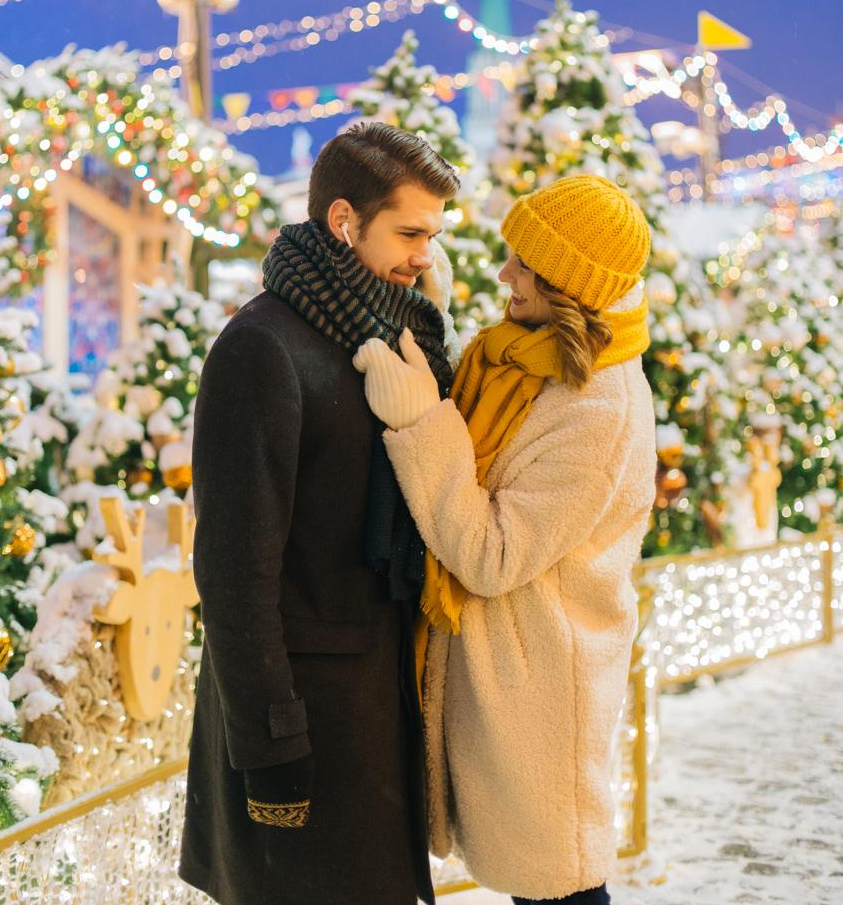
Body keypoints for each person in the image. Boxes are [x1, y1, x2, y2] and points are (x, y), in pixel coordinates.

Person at [354, 174, 657, 905]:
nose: (504, 275)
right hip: (509, 672)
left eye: (523, 264)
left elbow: (492, 555)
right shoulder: (524, 357)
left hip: (543, 686)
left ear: (569, 286)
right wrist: (441, 322)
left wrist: (421, 424)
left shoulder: (598, 407)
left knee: (560, 888)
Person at [179, 121, 461, 905]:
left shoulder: (393, 338)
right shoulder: (262, 346)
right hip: (304, 720)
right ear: (343, 220)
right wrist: (272, 743)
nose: (422, 255)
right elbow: (234, 570)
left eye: (430, 234)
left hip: (379, 708)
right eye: (408, 232)